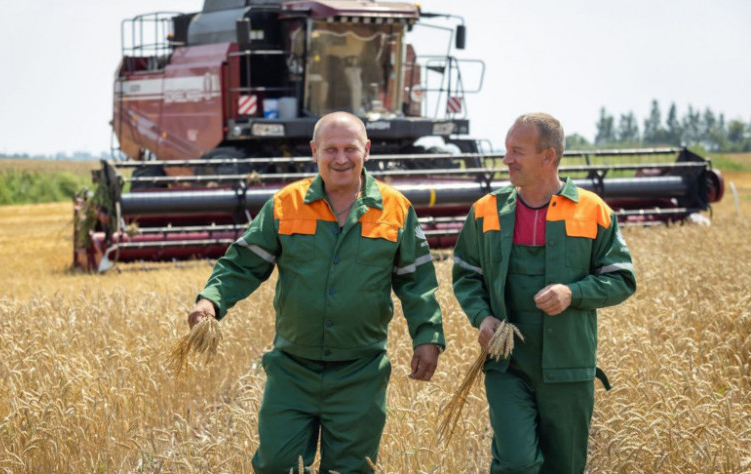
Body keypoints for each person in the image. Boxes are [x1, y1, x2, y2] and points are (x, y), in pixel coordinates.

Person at [188, 111, 445, 473]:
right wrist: (210, 300)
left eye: (350, 148)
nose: (341, 158)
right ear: (314, 151)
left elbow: (416, 281)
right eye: (331, 149)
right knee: (277, 465)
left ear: (367, 150)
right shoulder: (284, 205)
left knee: (351, 469)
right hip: (292, 370)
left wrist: (428, 336)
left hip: (361, 371)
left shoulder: (396, 210)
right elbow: (242, 264)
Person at [452, 113, 636, 473]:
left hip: (569, 368)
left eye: (517, 151)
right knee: (517, 462)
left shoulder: (593, 210)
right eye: (507, 150)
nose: (507, 159)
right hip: (507, 365)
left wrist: (573, 293)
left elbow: (622, 279)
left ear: (548, 157)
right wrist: (483, 316)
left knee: (564, 467)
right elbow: (466, 275)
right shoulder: (486, 210)